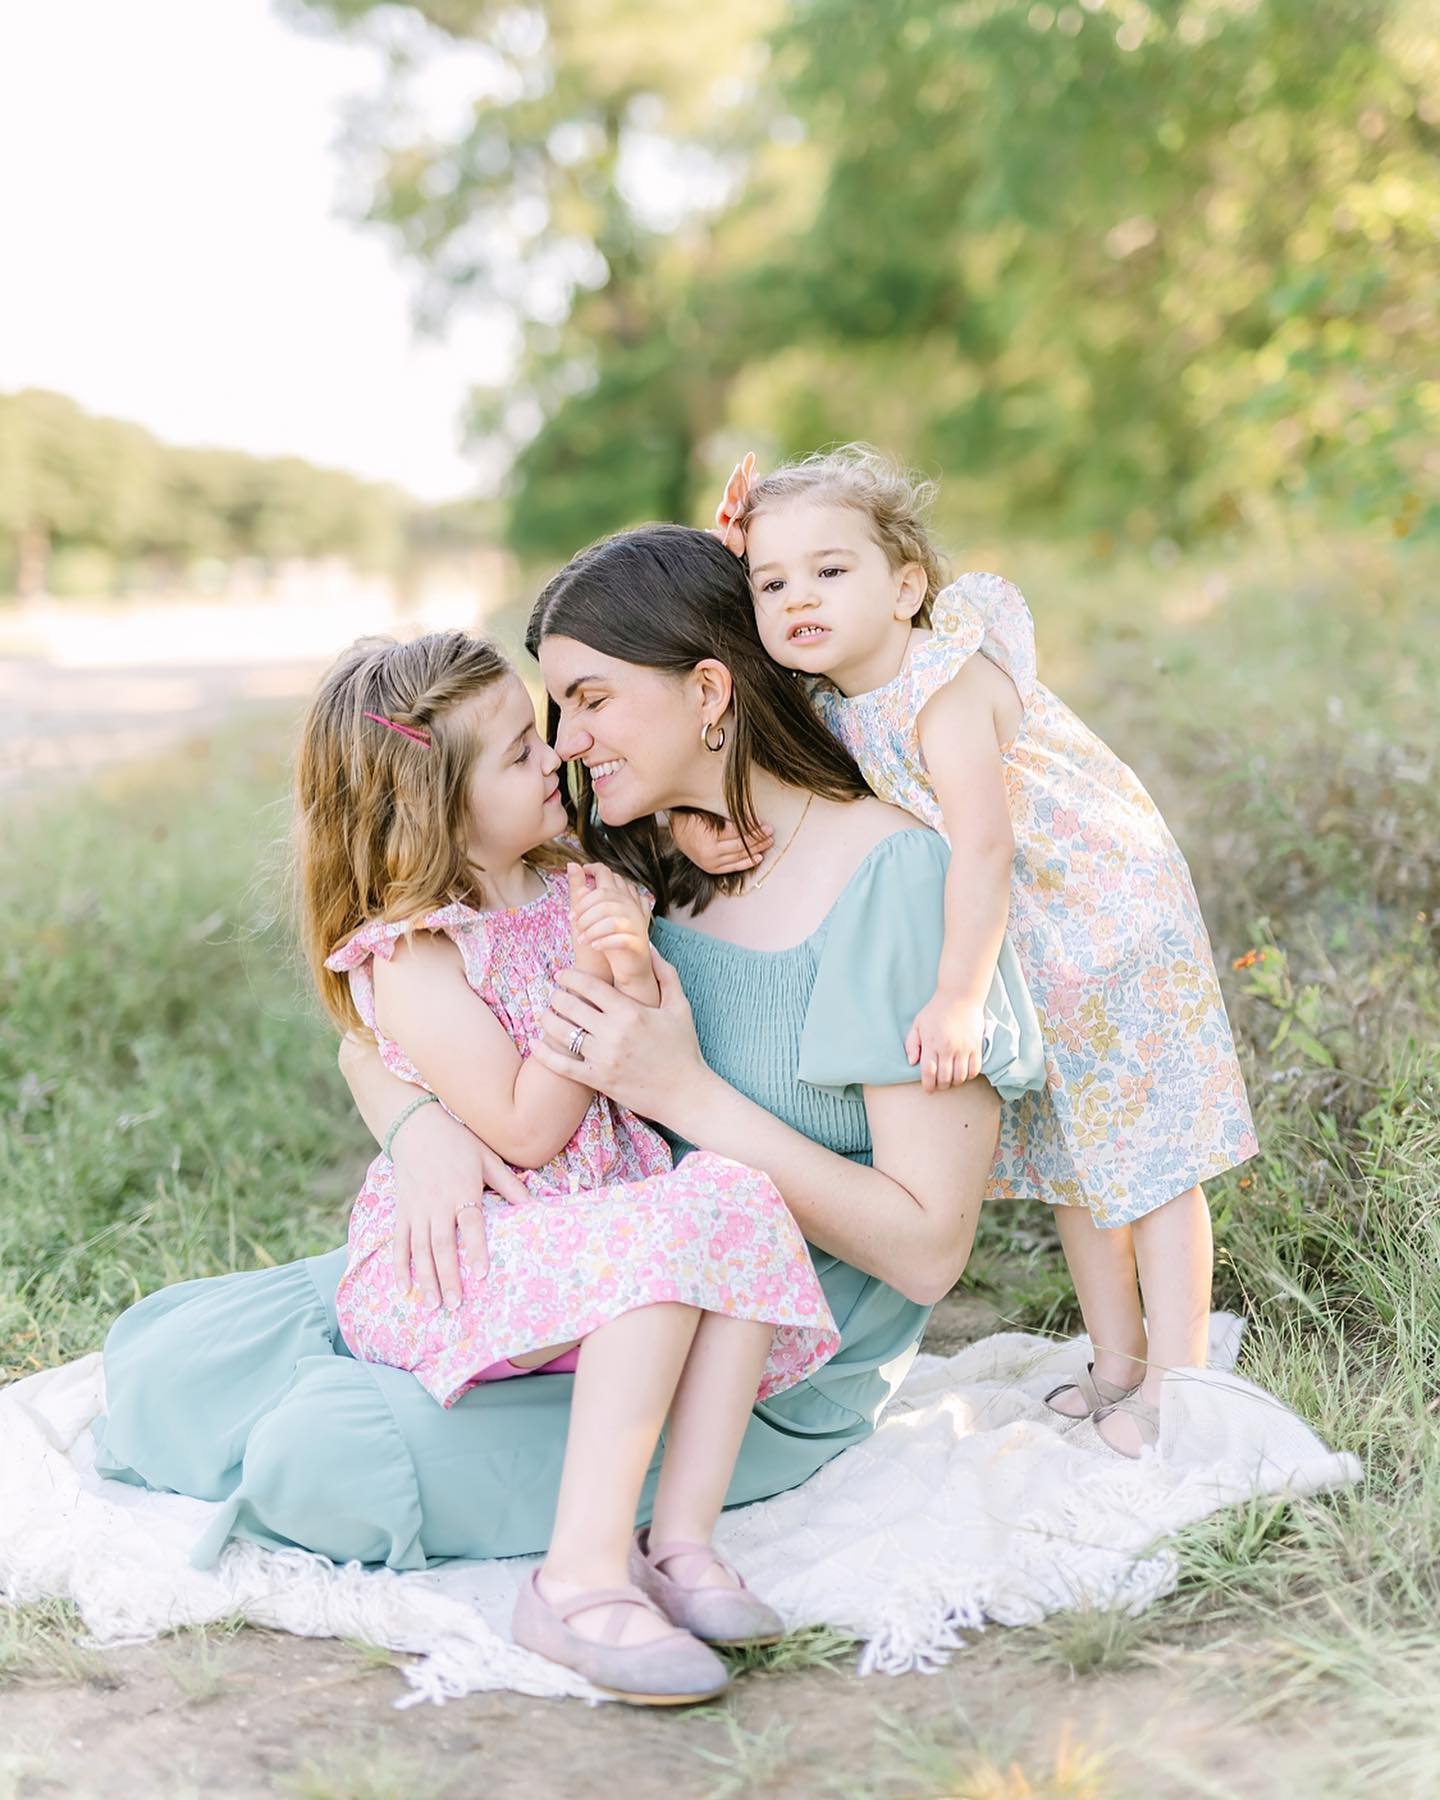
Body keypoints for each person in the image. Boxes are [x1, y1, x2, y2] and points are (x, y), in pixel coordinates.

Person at [94, 525, 1043, 1637]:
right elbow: (392, 1014)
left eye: (589, 700)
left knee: (323, 1454)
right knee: (173, 1363)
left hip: (766, 1330)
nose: (567, 743)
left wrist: (688, 1096)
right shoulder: (632, 840)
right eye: (551, 715)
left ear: (706, 692)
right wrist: (418, 1130)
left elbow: (932, 1250)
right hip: (579, 1241)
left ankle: (614, 1564)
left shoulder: (893, 878)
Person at [293, 628, 840, 1703]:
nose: (553, 758)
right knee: (656, 1244)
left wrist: (627, 962)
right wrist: (591, 975)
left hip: (591, 1227)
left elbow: (641, 1044)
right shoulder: (417, 954)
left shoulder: (564, 879)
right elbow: (525, 1130)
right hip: (466, 1259)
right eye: (514, 755)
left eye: (536, 735)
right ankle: (575, 1577)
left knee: (731, 1194)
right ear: (434, 810)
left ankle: (679, 1541)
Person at [690, 445, 1259, 1455]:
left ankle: (1181, 1386)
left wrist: (957, 999)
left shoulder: (940, 679)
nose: (797, 597)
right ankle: (1117, 1364)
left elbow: (985, 839)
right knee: (1078, 1168)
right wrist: (726, 548)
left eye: (831, 570)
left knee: (1149, 1164)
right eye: (772, 582)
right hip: (1018, 938)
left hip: (1105, 924)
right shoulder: (830, 696)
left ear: (906, 585)